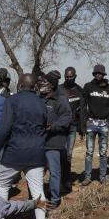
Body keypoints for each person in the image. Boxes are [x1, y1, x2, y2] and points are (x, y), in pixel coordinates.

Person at [0, 73, 50, 219]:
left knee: (2, 185)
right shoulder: (41, 102)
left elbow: (4, 128)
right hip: (36, 153)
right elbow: (44, 126)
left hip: (15, 152)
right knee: (38, 192)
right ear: (33, 86)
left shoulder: (12, 100)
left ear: (21, 85)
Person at [80, 65, 109, 185]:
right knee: (89, 151)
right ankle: (88, 177)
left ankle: (102, 177)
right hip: (91, 122)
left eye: (100, 73)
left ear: (104, 74)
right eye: (96, 73)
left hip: (104, 123)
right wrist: (84, 122)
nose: (98, 75)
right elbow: (83, 105)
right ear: (93, 74)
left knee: (103, 152)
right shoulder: (88, 87)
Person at [40, 71, 72, 205]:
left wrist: (51, 127)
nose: (42, 84)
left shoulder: (61, 99)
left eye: (44, 82)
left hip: (54, 141)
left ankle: (54, 199)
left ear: (51, 85)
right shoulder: (39, 97)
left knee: (54, 172)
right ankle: (38, 198)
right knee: (38, 172)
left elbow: (66, 119)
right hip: (39, 142)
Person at [61, 67, 83, 189]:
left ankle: (66, 179)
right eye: (67, 77)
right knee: (60, 153)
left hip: (73, 127)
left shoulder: (80, 91)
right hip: (61, 127)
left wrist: (81, 129)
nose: (69, 78)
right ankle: (58, 178)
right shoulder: (60, 89)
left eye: (71, 76)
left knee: (68, 154)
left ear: (75, 76)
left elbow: (82, 110)